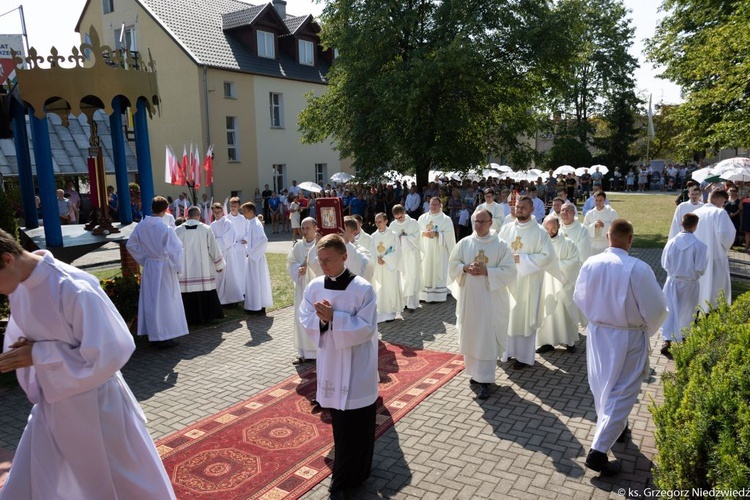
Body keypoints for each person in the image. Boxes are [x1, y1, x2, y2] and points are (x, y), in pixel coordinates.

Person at [0, 229, 176, 499]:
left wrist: (40, 355)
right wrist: (26, 351)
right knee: (33, 482)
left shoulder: (71, 286)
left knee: (121, 484)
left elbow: (112, 351)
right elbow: (31, 332)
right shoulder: (19, 286)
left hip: (96, 407)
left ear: (7, 259)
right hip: (54, 405)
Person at [574, 219, 667, 476]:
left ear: (607, 237)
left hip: (598, 332)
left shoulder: (590, 263)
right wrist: (645, 329)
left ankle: (617, 428)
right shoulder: (638, 268)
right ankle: (599, 450)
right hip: (627, 336)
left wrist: (597, 317)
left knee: (602, 385)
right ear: (631, 239)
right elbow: (657, 309)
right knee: (624, 390)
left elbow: (579, 297)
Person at [298, 234, 379, 498]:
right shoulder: (315, 287)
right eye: (320, 260)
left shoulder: (363, 289)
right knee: (342, 427)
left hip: (357, 365)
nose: (323, 265)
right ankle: (343, 479)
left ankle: (361, 471)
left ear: (344, 257)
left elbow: (366, 328)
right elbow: (304, 316)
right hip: (332, 362)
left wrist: (334, 318)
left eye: (329, 260)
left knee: (362, 424)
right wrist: (322, 322)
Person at [448, 209, 516, 400]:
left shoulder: (501, 245)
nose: (478, 225)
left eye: (481, 221)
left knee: (485, 336)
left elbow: (510, 271)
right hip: (470, 299)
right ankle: (474, 375)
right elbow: (452, 264)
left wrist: (488, 271)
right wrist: (464, 267)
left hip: (490, 300)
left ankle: (486, 380)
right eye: (475, 221)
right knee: (471, 333)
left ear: (490, 222)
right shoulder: (465, 243)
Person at [498, 196, 556, 369]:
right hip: (508, 282)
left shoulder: (539, 232)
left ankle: (523, 357)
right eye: (517, 207)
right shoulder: (506, 229)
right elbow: (498, 249)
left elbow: (547, 256)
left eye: (523, 207)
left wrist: (522, 259)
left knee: (524, 317)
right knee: (507, 316)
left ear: (531, 209)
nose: (519, 210)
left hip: (529, 283)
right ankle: (505, 352)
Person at [126, 196, 189, 348]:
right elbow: (176, 250)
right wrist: (179, 268)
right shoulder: (165, 228)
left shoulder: (141, 226)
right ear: (165, 210)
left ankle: (154, 334)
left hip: (150, 266)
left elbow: (131, 245)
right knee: (166, 301)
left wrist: (145, 259)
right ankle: (164, 335)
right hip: (164, 267)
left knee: (152, 301)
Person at [660, 213, 708, 356]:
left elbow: (664, 263)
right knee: (687, 311)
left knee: (670, 310)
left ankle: (667, 339)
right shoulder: (700, 246)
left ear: (682, 223)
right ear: (695, 226)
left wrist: (675, 273)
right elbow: (700, 268)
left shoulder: (671, 242)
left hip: (673, 281)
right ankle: (683, 338)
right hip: (689, 283)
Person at [536, 217, 582, 354]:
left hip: (563, 285)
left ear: (558, 227)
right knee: (547, 315)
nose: (550, 231)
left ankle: (569, 342)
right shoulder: (540, 244)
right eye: (547, 229)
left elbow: (574, 263)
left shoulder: (568, 244)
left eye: (553, 228)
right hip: (544, 285)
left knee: (565, 314)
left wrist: (554, 266)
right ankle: (547, 342)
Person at [175, 206, 225, 325]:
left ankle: (189, 318)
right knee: (206, 291)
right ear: (198, 216)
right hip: (203, 270)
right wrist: (219, 265)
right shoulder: (206, 229)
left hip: (185, 271)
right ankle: (208, 316)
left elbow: (173, 251)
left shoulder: (177, 230)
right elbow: (214, 248)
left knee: (187, 294)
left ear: (188, 215)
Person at [693, 189, 736, 310]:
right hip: (715, 253)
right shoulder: (720, 213)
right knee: (716, 284)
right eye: (723, 201)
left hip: (698, 255)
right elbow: (726, 234)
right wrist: (725, 247)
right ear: (717, 199)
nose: (723, 204)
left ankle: (699, 306)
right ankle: (713, 308)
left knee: (701, 282)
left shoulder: (697, 212)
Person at [286, 217, 320, 365]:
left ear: (315, 228)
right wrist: (297, 269)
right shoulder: (298, 246)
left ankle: (319, 351)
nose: (304, 231)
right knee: (301, 318)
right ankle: (302, 352)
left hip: (317, 289)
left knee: (317, 318)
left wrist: (310, 267)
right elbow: (290, 262)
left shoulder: (321, 245)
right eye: (302, 228)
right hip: (302, 289)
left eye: (307, 228)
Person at [418, 197, 456, 302]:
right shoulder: (422, 218)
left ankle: (439, 295)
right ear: (428, 205)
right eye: (431, 204)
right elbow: (416, 232)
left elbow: (450, 235)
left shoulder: (446, 219)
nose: (433, 206)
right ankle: (424, 294)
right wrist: (423, 233)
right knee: (426, 269)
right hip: (426, 249)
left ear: (440, 206)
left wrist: (438, 234)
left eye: (436, 204)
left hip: (440, 250)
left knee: (438, 269)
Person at [370, 212, 404, 322]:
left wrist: (385, 259)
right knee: (380, 289)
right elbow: (370, 252)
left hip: (390, 267)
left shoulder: (393, 235)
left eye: (380, 221)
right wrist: (377, 259)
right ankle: (380, 312)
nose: (377, 224)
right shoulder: (373, 236)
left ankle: (390, 313)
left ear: (386, 221)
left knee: (390, 288)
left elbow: (397, 251)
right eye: (376, 222)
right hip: (378, 268)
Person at [210, 203, 245, 306]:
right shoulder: (212, 225)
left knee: (230, 276)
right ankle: (221, 298)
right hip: (218, 254)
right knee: (219, 277)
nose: (217, 214)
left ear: (222, 211)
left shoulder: (228, 223)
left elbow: (227, 239)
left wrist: (215, 243)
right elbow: (211, 240)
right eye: (215, 212)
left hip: (228, 253)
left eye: (218, 212)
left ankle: (232, 299)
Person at [241, 202, 273, 315]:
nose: (243, 214)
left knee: (256, 281)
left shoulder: (255, 224)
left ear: (251, 212)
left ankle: (257, 306)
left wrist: (251, 251)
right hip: (254, 257)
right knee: (254, 281)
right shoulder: (252, 223)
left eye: (245, 212)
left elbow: (263, 240)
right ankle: (255, 305)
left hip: (256, 258)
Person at [389, 204, 422, 311]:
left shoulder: (413, 223)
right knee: (402, 278)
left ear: (404, 213)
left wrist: (403, 238)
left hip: (411, 253)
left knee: (412, 277)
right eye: (396, 218)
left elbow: (417, 237)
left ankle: (412, 303)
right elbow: (391, 241)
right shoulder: (393, 225)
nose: (399, 219)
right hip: (400, 255)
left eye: (401, 217)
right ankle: (403, 303)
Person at [226, 196, 249, 278]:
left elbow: (248, 231)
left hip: (241, 246)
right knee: (232, 269)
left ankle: (243, 287)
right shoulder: (226, 219)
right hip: (230, 247)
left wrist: (246, 239)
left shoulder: (243, 219)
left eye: (235, 206)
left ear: (239, 207)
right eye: (231, 206)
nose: (233, 208)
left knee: (242, 268)